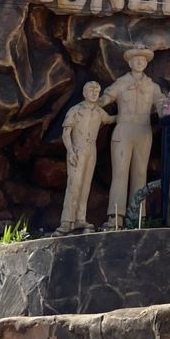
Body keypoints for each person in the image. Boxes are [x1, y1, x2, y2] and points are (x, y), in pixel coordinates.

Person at [99, 48, 165, 228]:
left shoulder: (152, 86)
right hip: (124, 128)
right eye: (136, 59)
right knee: (120, 172)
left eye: (143, 60)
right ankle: (115, 216)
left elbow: (162, 104)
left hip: (143, 130)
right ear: (129, 63)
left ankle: (137, 217)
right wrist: (93, 103)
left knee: (140, 173)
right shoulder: (121, 83)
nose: (140, 62)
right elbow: (106, 98)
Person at [58, 81, 115, 234]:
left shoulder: (98, 111)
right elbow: (66, 134)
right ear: (84, 93)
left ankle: (80, 218)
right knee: (74, 184)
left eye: (97, 91)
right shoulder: (75, 110)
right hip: (77, 148)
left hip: (91, 149)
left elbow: (110, 119)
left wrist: (129, 115)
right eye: (91, 90)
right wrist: (70, 151)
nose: (94, 93)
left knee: (85, 185)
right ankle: (66, 221)